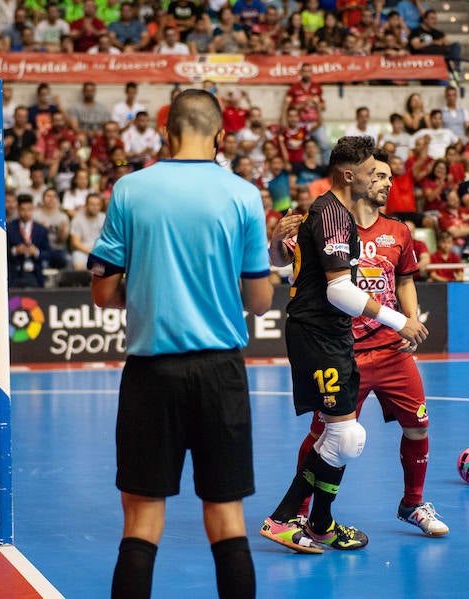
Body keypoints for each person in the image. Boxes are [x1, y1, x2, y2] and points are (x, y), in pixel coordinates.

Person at [87, 89, 274, 598]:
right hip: (221, 374)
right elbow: (258, 300)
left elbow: (104, 291)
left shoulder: (129, 188)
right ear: (219, 135)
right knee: (227, 518)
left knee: (141, 521)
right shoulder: (242, 195)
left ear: (166, 133)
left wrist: (150, 285)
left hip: (151, 374)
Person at [260, 136, 426, 554]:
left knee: (347, 437)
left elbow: (298, 266)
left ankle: (320, 524)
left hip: (332, 335)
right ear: (350, 175)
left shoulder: (344, 216)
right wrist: (399, 321)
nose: (380, 180)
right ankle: (282, 519)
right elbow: (338, 292)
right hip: (320, 333)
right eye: (374, 172)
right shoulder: (332, 214)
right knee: (339, 436)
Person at [8, 194, 51, 288]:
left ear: (33, 209)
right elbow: (2, 252)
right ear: (18, 210)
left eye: (29, 209)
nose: (26, 212)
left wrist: (36, 252)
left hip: (35, 273)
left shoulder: (41, 229)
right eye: (23, 209)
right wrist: (15, 250)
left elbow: (48, 253)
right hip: (15, 272)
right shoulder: (9, 228)